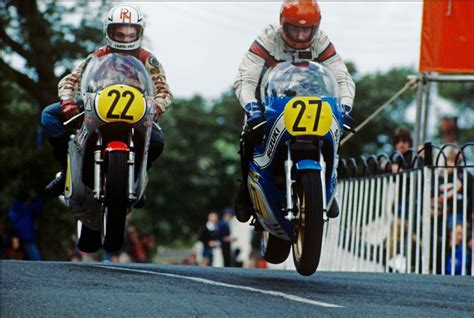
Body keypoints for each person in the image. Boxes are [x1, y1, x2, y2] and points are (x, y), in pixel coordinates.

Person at [233, 0, 355, 222]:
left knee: (336, 133)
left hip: (313, 107)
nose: (300, 36)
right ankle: (245, 190)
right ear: (282, 24)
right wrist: (252, 108)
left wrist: (344, 107)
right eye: (294, 29)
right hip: (269, 106)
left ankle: (327, 187)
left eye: (306, 29)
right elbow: (245, 78)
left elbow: (342, 77)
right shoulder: (267, 39)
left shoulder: (321, 41)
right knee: (248, 137)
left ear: (315, 27)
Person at [41, 4, 173, 197]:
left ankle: (137, 179)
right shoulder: (97, 55)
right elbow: (72, 79)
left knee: (157, 141)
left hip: (138, 111)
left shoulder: (148, 59)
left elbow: (164, 90)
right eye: (119, 32)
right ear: (109, 31)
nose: (125, 37)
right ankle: (67, 168)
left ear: (139, 32)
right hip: (96, 103)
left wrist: (157, 108)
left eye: (130, 32)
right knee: (49, 116)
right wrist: (68, 101)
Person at [7, 192, 44, 260]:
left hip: (15, 232)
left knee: (15, 249)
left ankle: (13, 261)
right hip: (25, 234)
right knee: (33, 253)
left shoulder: (15, 207)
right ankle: (38, 265)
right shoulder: (27, 208)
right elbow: (38, 206)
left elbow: (11, 216)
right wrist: (38, 198)